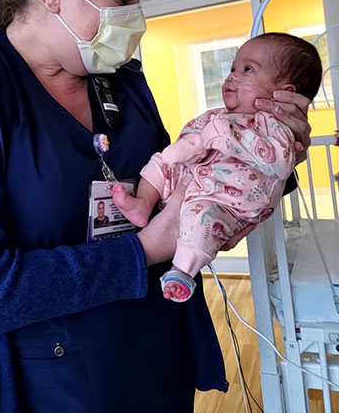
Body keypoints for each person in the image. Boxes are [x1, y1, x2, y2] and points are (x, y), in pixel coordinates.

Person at [0, 0, 311, 413]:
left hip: (155, 351)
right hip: (48, 379)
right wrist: (143, 251)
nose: (135, 19)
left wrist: (271, 157)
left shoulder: (121, 79)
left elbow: (186, 176)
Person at [112, 33, 322, 302]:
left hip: (224, 199)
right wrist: (185, 151)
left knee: (203, 219)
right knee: (159, 162)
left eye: (247, 69)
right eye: (233, 67)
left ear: (284, 94)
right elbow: (189, 141)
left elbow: (279, 164)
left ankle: (182, 270)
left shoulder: (274, 126)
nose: (232, 75)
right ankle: (142, 203)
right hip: (189, 183)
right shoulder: (216, 116)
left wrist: (222, 135)